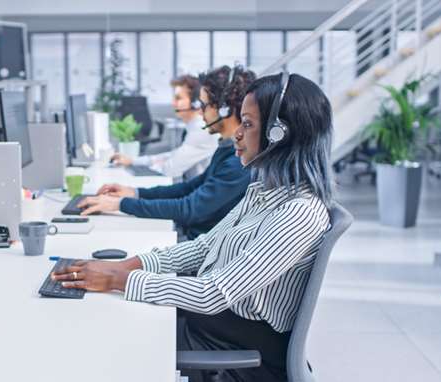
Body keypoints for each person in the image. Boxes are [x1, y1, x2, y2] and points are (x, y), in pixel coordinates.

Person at [53, 72, 335, 382]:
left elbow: (213, 293)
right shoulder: (263, 191)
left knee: (105, 330)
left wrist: (120, 279)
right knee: (103, 310)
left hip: (239, 347)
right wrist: (129, 265)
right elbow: (203, 248)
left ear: (279, 134)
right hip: (213, 325)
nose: (237, 134)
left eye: (249, 124)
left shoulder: (299, 213)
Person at [77, 65, 254, 240]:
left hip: (198, 247)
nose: (199, 111)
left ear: (225, 109)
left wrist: (120, 204)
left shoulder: (238, 161)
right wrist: (135, 193)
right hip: (193, 238)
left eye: (203, 105)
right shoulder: (227, 149)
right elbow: (189, 188)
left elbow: (189, 209)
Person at [110, 75, 217, 178]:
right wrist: (133, 161)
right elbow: (175, 155)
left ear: (196, 103)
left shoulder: (201, 131)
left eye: (178, 98)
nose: (173, 103)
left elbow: (170, 169)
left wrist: (145, 166)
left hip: (200, 193)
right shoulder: (194, 127)